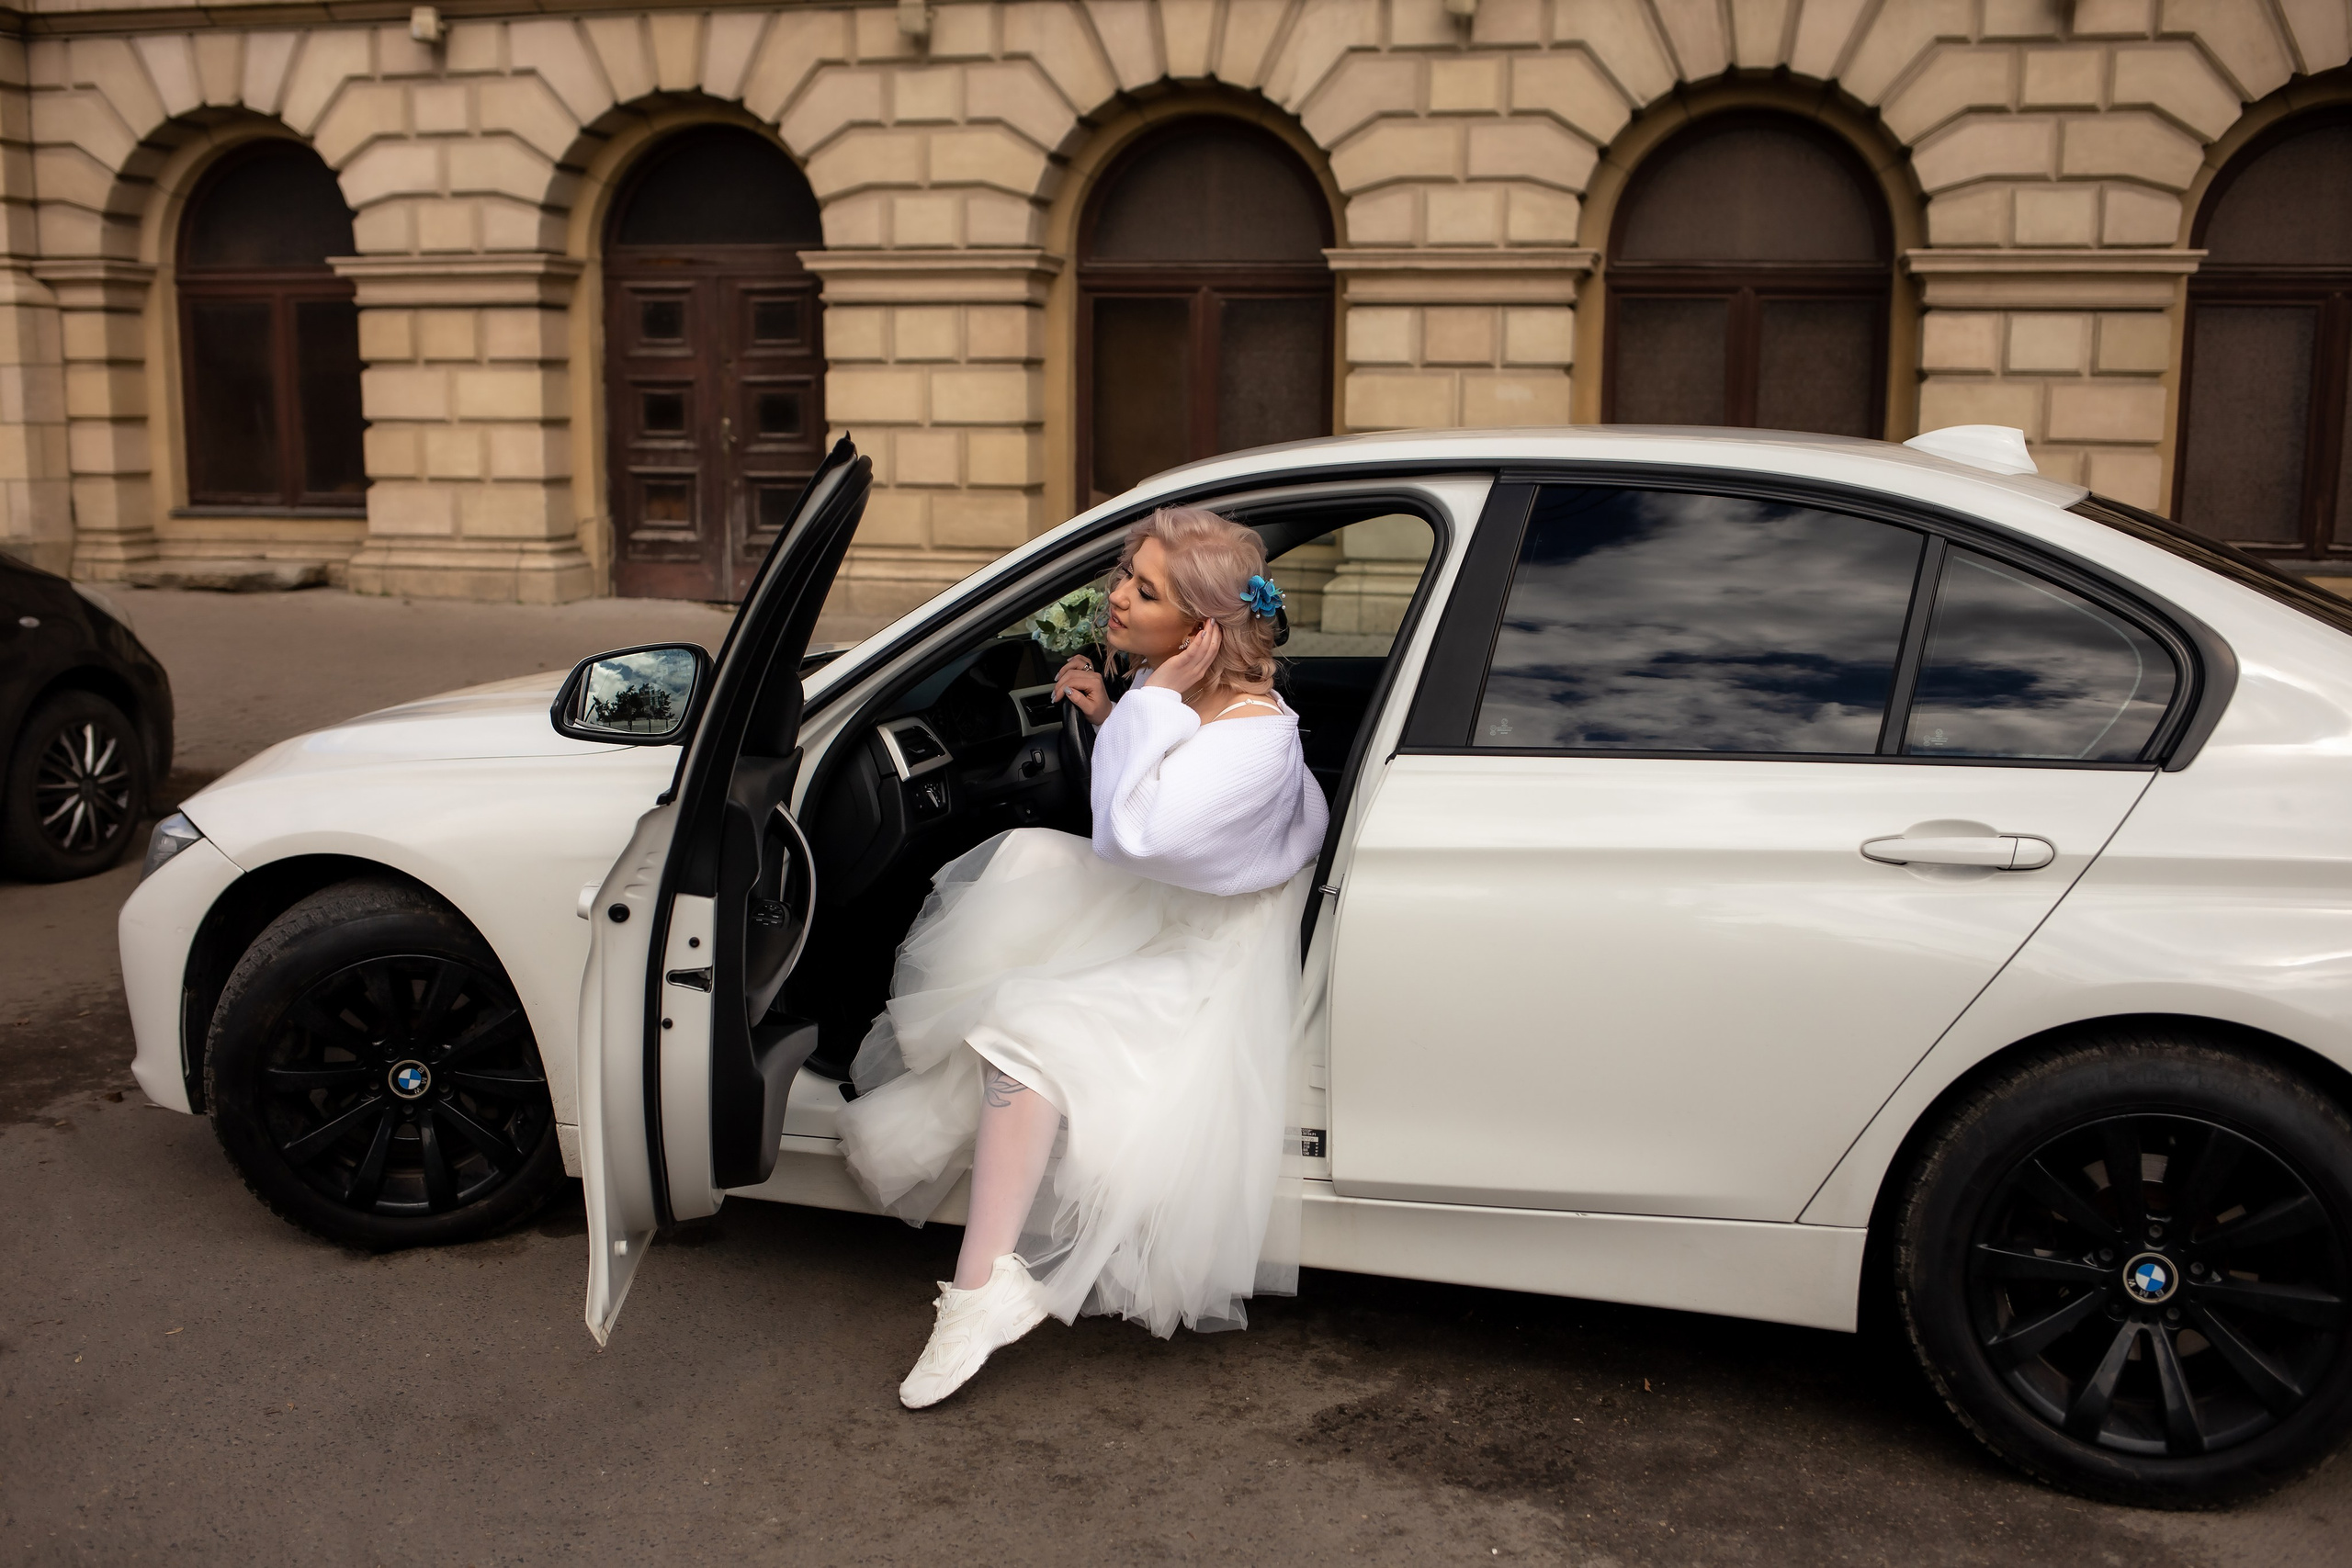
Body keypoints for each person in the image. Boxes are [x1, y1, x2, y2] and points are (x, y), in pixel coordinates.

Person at [836, 504, 1329, 1408]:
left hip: (1207, 951)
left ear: (1199, 630)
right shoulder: (1198, 694)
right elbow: (1158, 809)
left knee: (1023, 1031)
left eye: (1144, 590)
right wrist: (1117, 713)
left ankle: (981, 1293)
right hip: (1173, 904)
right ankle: (950, 1108)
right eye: (1124, 576)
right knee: (1022, 861)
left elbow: (1134, 837)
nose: (1115, 598)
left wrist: (1138, 705)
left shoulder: (1254, 738)